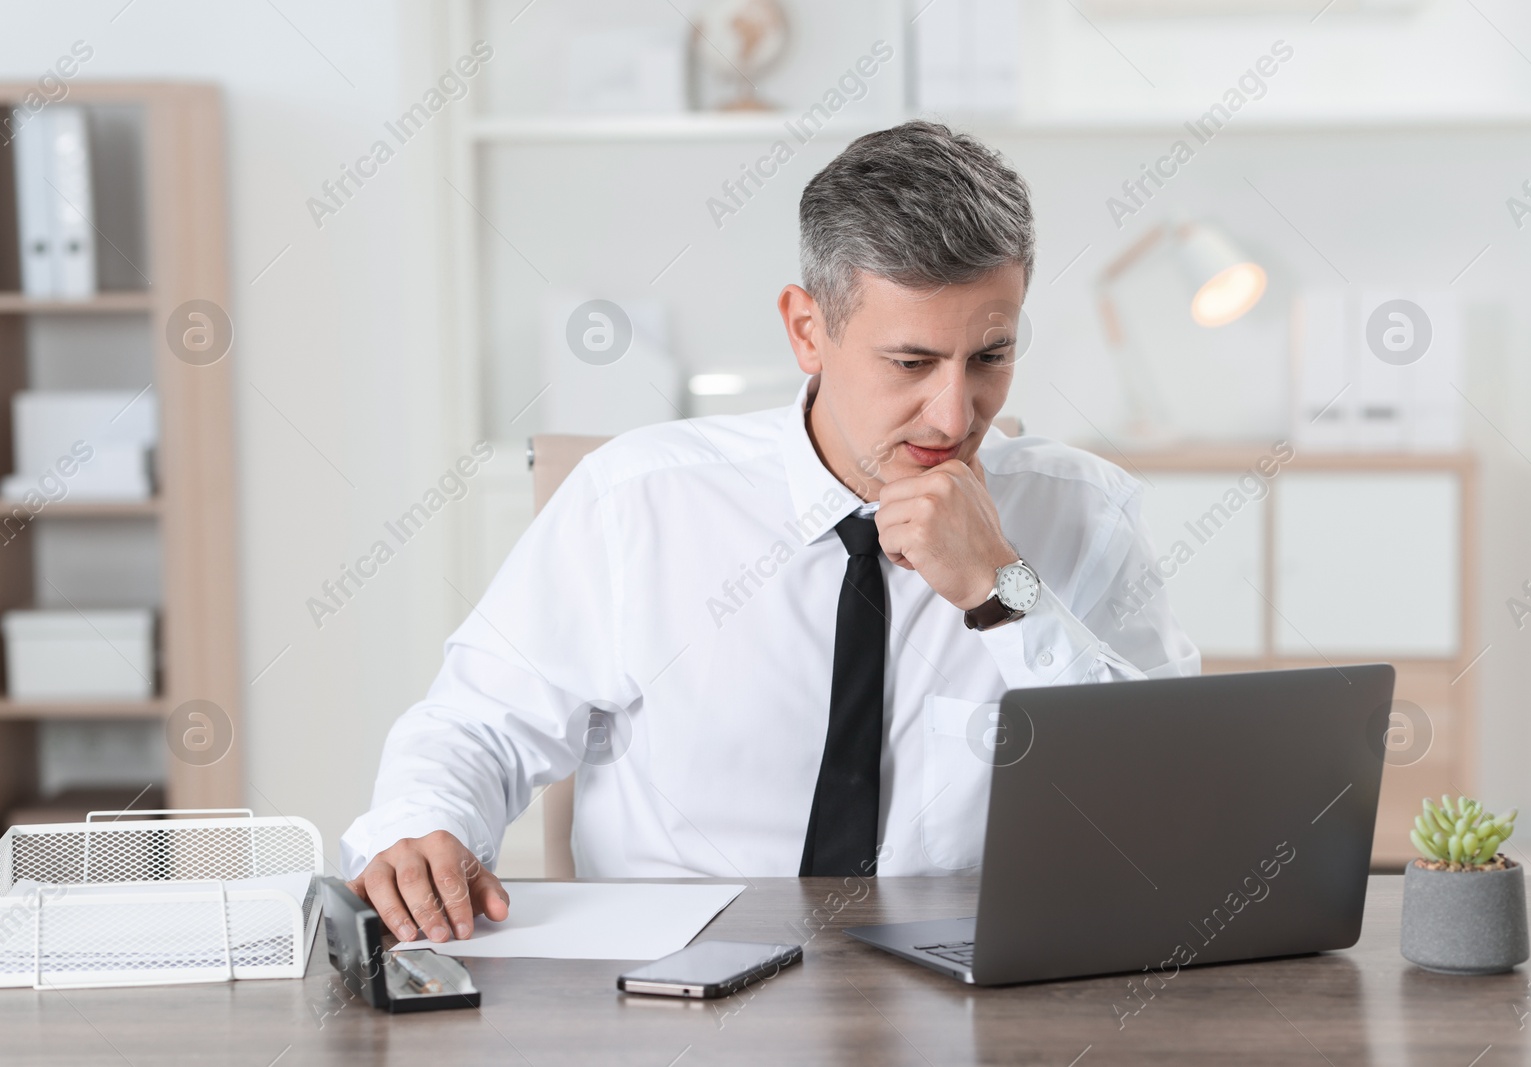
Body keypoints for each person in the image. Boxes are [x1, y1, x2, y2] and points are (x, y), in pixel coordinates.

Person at [341, 121, 1199, 945]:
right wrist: (425, 826)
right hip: (672, 984)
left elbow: (1170, 806)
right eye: (911, 362)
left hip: (966, 992)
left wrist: (1002, 590)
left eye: (989, 357)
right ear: (806, 329)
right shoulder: (638, 500)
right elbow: (477, 723)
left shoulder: (1085, 509)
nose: (954, 413)